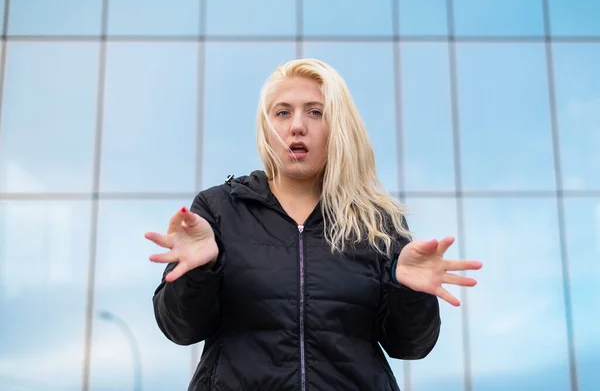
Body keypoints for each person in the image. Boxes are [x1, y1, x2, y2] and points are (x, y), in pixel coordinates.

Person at [147, 58, 482, 391]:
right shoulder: (218, 209)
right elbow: (181, 329)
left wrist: (407, 290)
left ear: (338, 126)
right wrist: (198, 272)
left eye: (315, 112)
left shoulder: (377, 221)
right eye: (282, 112)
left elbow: (411, 345)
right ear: (267, 128)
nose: (297, 126)